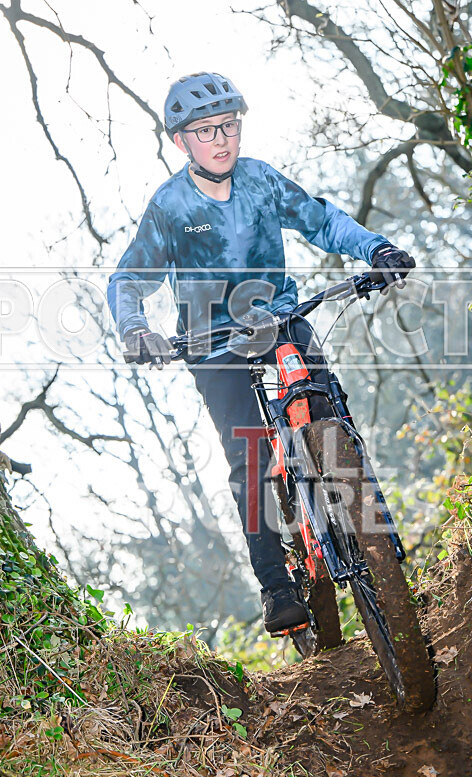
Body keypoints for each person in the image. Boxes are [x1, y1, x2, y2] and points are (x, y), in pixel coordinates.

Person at [107, 72, 415, 634]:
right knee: (250, 456)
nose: (221, 138)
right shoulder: (171, 206)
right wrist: (134, 328)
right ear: (180, 141)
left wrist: (377, 248)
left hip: (280, 322)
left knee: (327, 416)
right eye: (205, 130)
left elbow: (320, 220)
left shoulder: (260, 181)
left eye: (229, 125)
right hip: (211, 343)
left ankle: (379, 547)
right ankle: (277, 586)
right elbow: (129, 278)